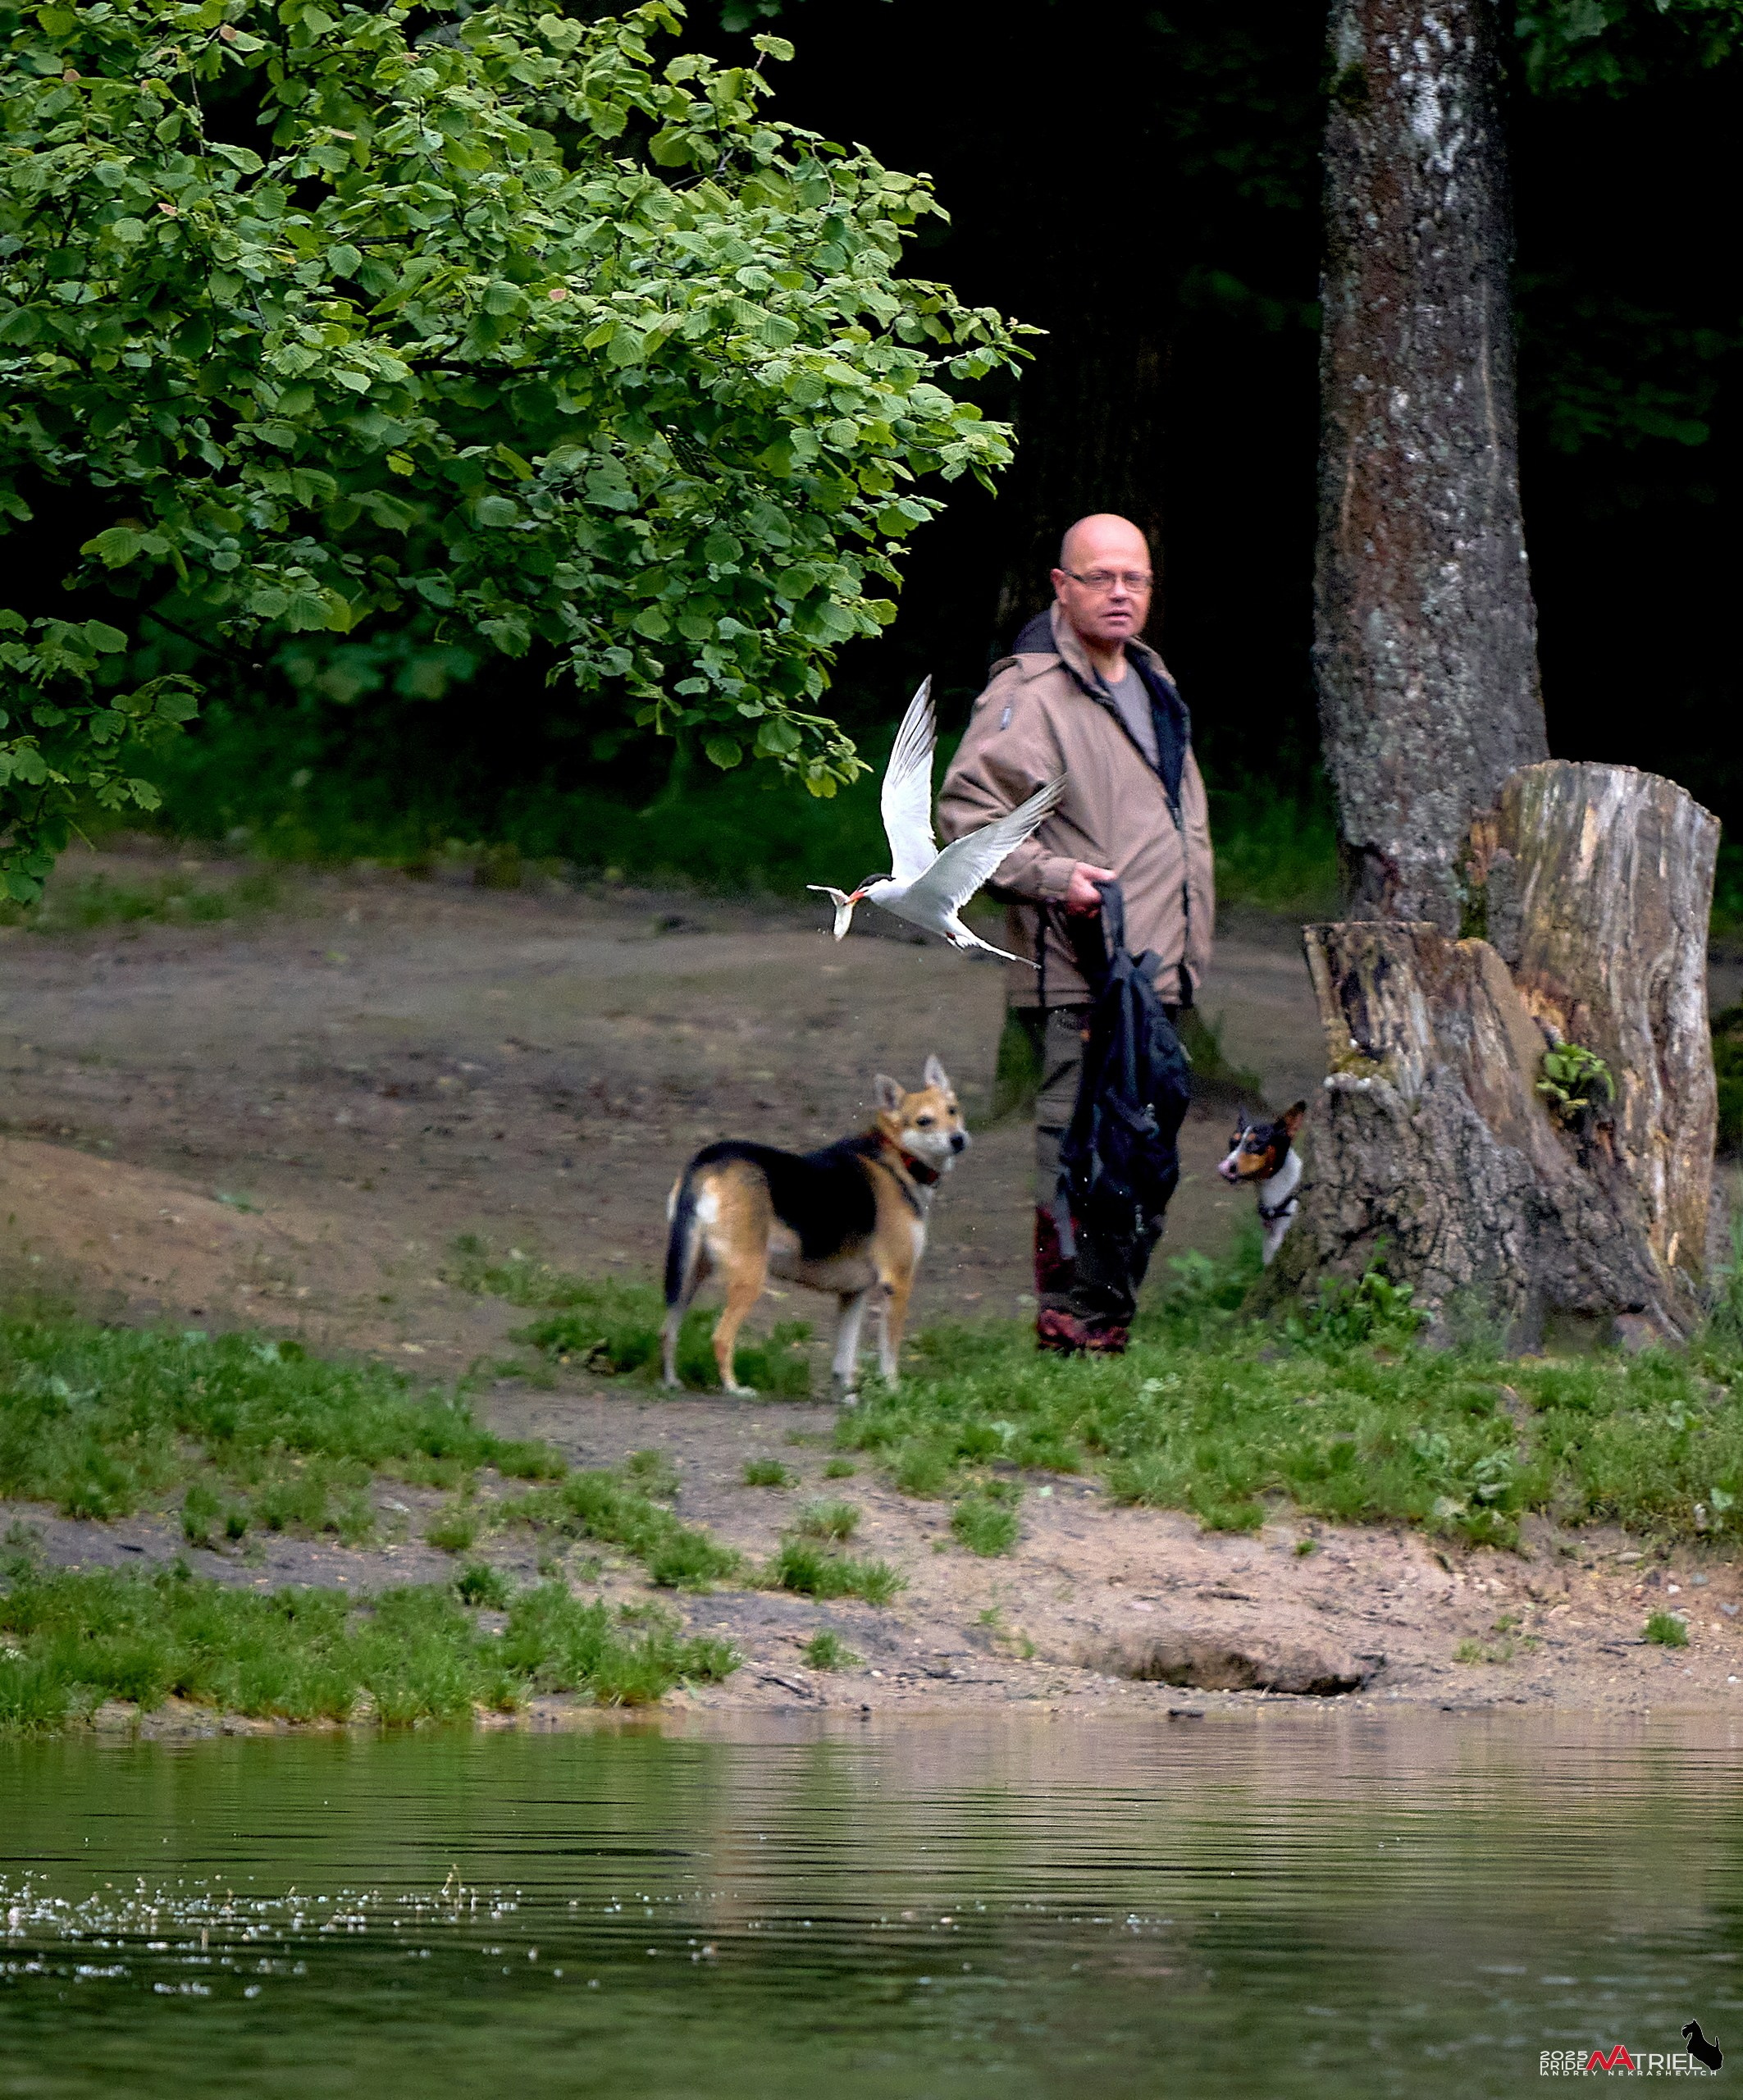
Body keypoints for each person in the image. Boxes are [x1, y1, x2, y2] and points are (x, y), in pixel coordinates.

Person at [935, 513, 1214, 1354]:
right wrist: (1058, 880)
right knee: (1080, 1162)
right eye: (1100, 577)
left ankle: (1103, 1327)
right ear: (1061, 586)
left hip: (1155, 976)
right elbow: (966, 823)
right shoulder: (1030, 692)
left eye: (1135, 578)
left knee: (1140, 1161)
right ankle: (1069, 1335)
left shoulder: (1152, 684)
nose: (1120, 593)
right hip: (1078, 976)